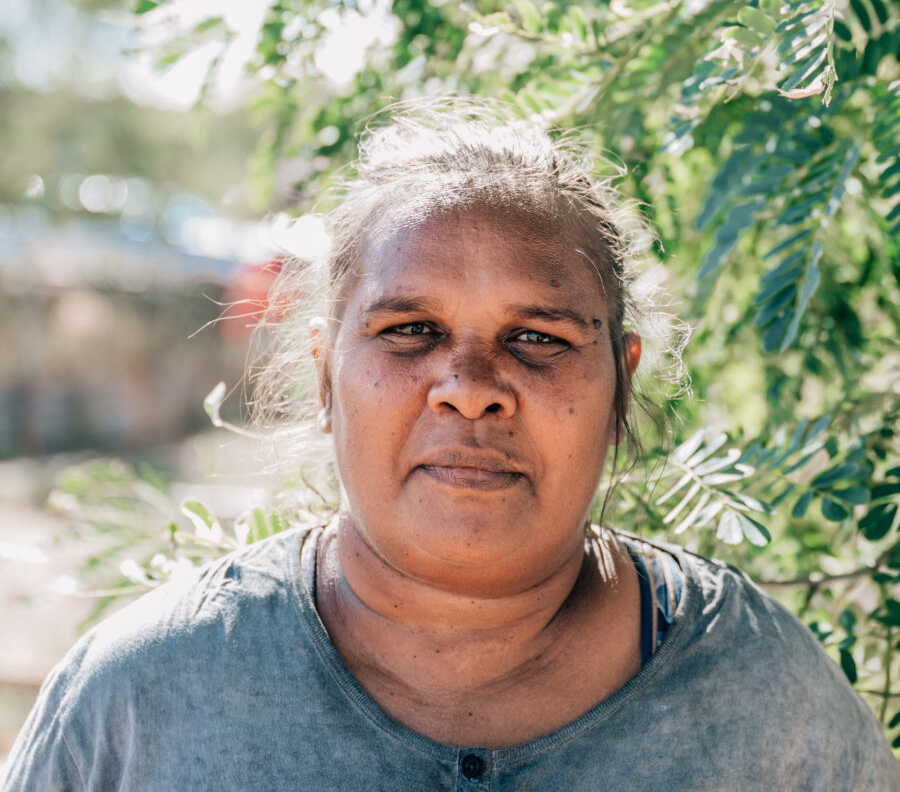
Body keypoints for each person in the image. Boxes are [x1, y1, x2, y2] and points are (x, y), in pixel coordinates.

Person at [5, 101, 898, 791]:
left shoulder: (764, 701)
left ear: (621, 386)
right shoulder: (141, 698)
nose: (470, 385)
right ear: (324, 375)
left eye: (538, 338)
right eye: (410, 330)